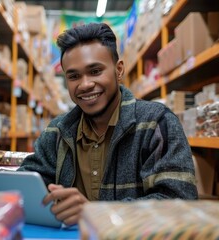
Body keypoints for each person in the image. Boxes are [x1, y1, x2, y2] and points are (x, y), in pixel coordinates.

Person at [17, 22, 198, 226]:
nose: (85, 85)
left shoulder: (156, 124)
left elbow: (180, 205)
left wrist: (98, 213)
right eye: (74, 76)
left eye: (95, 71)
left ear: (118, 70)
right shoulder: (57, 131)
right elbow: (28, 183)